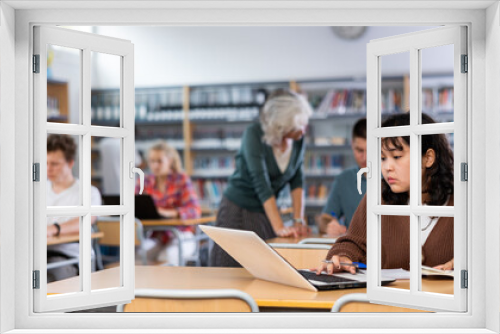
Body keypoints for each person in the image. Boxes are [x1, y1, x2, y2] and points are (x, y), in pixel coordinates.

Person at [316, 113, 454, 275]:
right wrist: (343, 256)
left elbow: (484, 252)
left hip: (440, 299)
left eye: (396, 157)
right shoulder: (378, 195)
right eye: (383, 158)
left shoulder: (460, 200)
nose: (387, 167)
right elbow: (352, 243)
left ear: (428, 158)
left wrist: (465, 263)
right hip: (387, 299)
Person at [211, 89, 313, 267]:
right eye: (298, 125)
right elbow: (261, 183)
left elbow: (297, 179)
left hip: (266, 211)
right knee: (230, 268)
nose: (303, 130)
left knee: (263, 268)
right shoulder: (254, 134)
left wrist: (299, 220)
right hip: (239, 209)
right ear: (282, 124)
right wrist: (279, 226)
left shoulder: (298, 139)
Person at [46, 134, 102, 282]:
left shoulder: (88, 192)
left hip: (69, 256)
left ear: (70, 163)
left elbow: (85, 221)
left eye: (54, 164)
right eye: (45, 163)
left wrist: (53, 228)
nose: (48, 169)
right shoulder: (37, 190)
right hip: (38, 253)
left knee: (46, 278)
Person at [136, 141, 201, 265]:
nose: (155, 165)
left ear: (170, 161)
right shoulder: (144, 181)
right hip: (156, 235)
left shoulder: (181, 179)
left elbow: (195, 210)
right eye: (152, 161)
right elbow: (135, 205)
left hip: (182, 234)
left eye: (159, 161)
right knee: (139, 257)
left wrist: (170, 213)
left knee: (168, 257)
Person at [318, 118, 367, 237]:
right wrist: (330, 225)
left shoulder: (392, 178)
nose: (365, 157)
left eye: (371, 150)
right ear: (352, 145)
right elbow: (325, 218)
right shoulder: (343, 180)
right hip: (353, 249)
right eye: (359, 150)